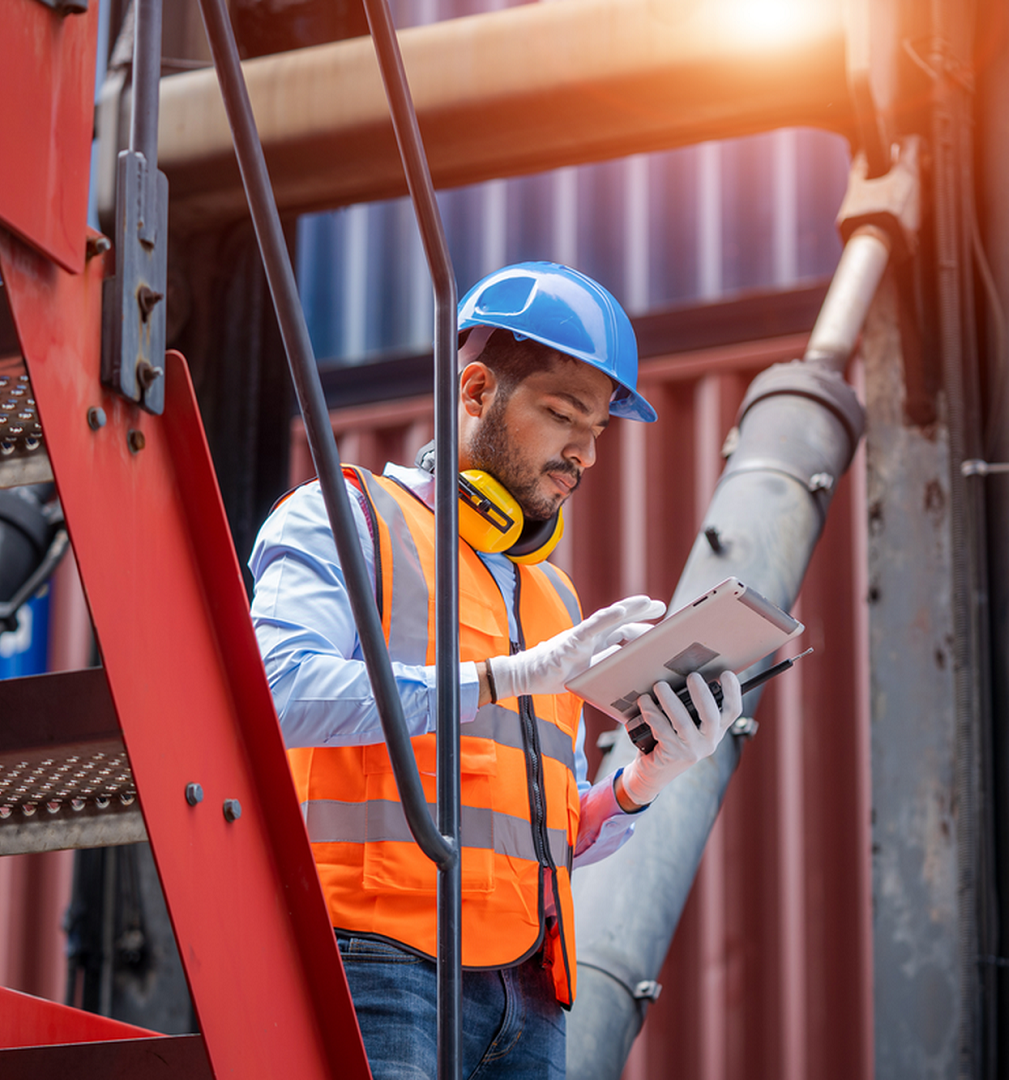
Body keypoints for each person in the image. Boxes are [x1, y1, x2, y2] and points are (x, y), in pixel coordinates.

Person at [249, 262, 741, 1078]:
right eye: (562, 415)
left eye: (598, 433)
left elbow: (527, 839)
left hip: (530, 995)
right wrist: (501, 678)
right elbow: (278, 693)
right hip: (378, 964)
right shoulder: (348, 518)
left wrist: (641, 784)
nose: (584, 453)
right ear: (474, 392)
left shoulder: (552, 597)